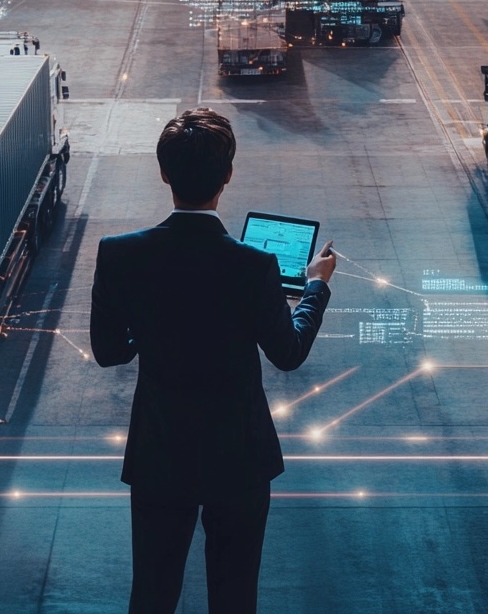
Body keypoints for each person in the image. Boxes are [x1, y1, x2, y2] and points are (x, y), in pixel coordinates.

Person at [90, 107, 335, 614]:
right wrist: (315, 285)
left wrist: (151, 324)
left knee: (152, 596)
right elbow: (288, 354)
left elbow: (108, 351)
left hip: (159, 454)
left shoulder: (119, 254)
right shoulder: (254, 266)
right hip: (238, 458)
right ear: (228, 175)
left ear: (163, 173)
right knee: (234, 597)